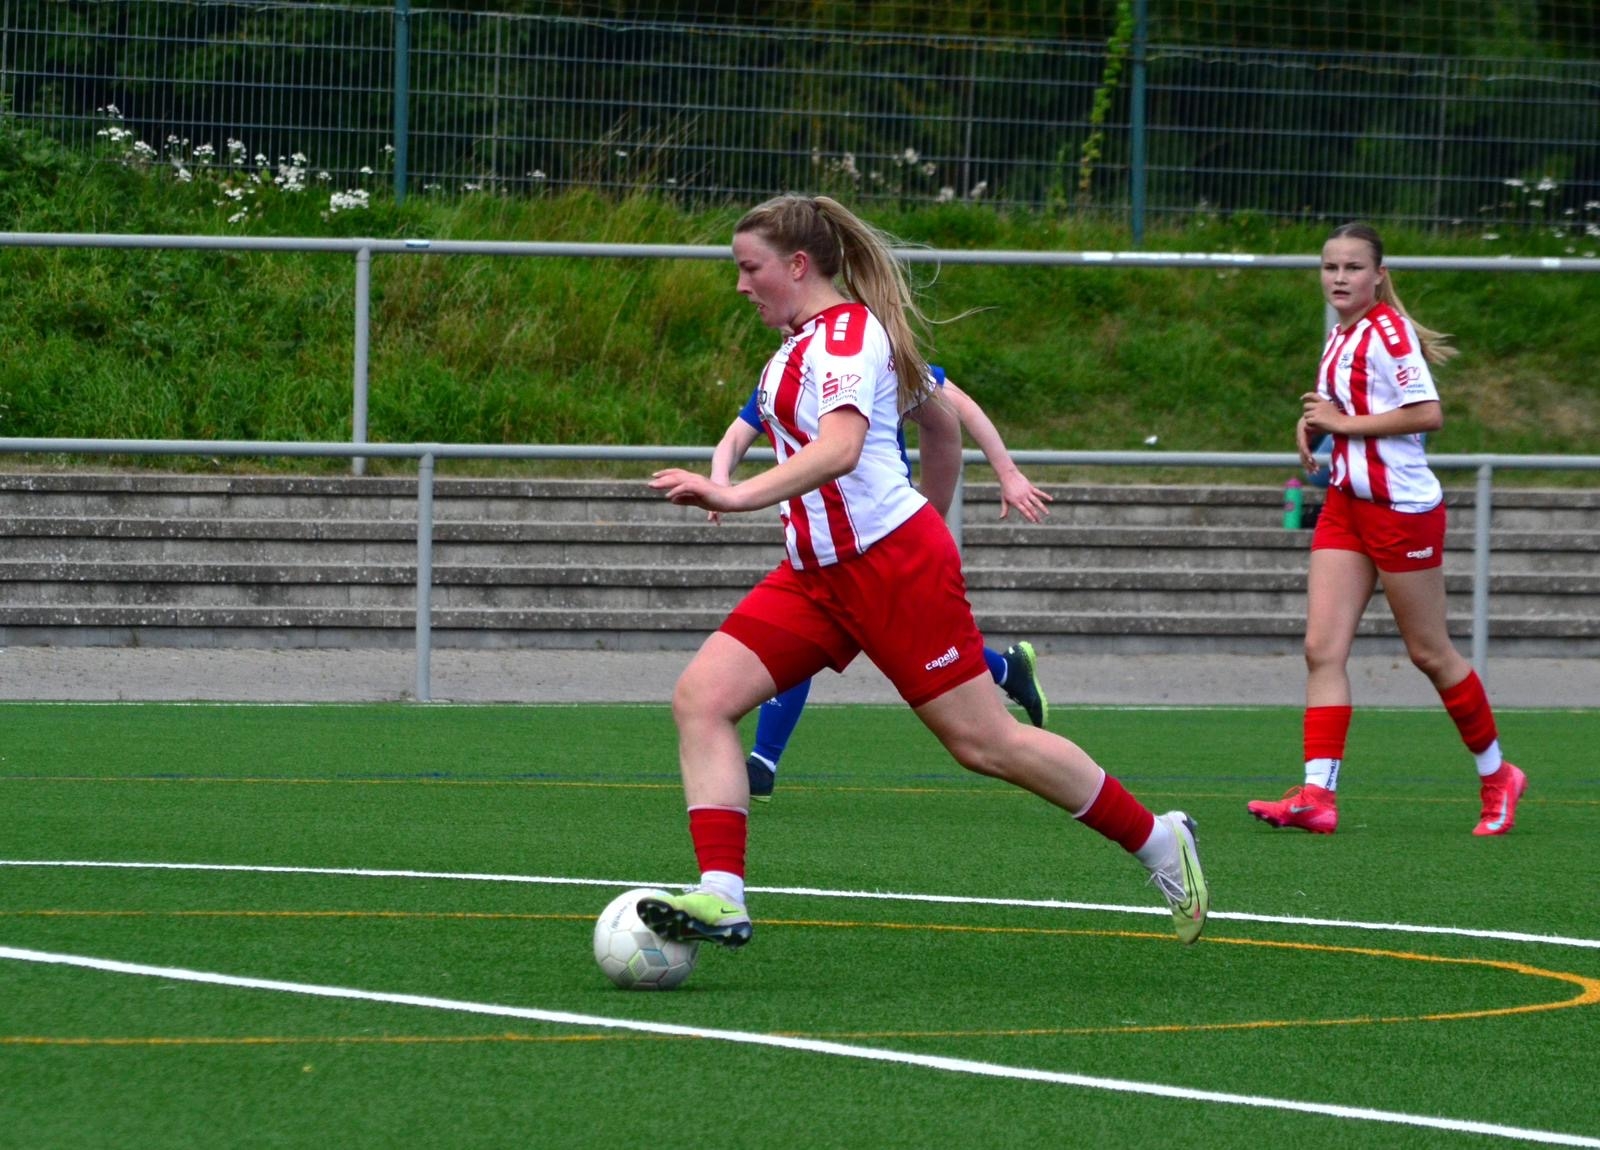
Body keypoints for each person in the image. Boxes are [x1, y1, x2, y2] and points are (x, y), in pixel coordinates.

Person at [642, 193, 1209, 950]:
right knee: (702, 699)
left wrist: (742, 496)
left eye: (751, 268)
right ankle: (722, 895)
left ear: (798, 265)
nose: (741, 285)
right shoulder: (798, 347)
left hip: (889, 568)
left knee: (986, 745)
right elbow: (940, 428)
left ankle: (1161, 841)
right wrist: (928, 518)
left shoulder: (849, 336)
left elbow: (842, 448)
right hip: (816, 576)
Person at [1247, 222, 1526, 837]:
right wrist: (1314, 425)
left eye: (1353, 267)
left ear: (1379, 275)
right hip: (1346, 504)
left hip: (1401, 511)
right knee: (1322, 649)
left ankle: (1498, 775)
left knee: (1429, 652)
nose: (1339, 277)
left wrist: (1341, 425)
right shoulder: (1341, 334)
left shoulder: (1389, 332)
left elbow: (1429, 413)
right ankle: (1318, 796)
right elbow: (1342, 408)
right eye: (1330, 267)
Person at [708, 366, 1054, 800]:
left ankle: (1007, 675)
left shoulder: (870, 354)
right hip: (824, 548)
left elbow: (958, 408)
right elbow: (735, 436)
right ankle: (763, 763)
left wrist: (1008, 472)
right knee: (794, 643)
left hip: (884, 541)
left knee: (936, 673)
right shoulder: (785, 372)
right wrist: (719, 482)